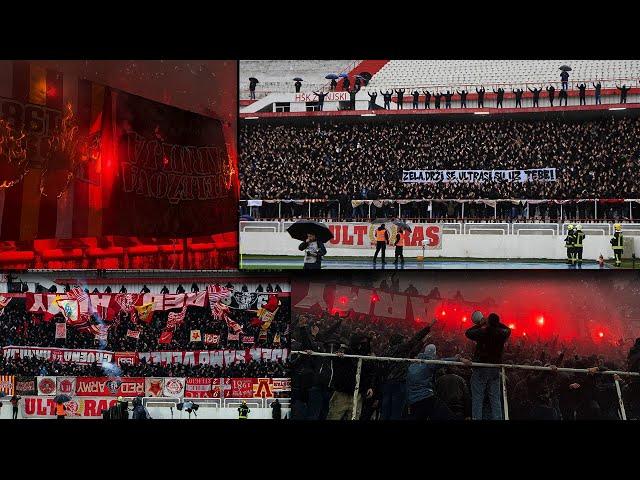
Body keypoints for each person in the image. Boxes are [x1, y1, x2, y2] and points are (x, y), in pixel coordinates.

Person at [464, 312, 511, 420]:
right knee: (495, 398)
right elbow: (509, 329)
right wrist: (498, 323)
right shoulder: (502, 333)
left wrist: (480, 324)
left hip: (481, 367)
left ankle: (477, 418)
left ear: (488, 322)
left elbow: (468, 333)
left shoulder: (483, 332)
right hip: (495, 369)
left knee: (478, 397)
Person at [405, 344, 459, 420]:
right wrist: (457, 359)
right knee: (446, 416)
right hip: (426, 397)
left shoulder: (412, 365)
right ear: (434, 353)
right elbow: (443, 362)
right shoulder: (429, 363)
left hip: (413, 400)